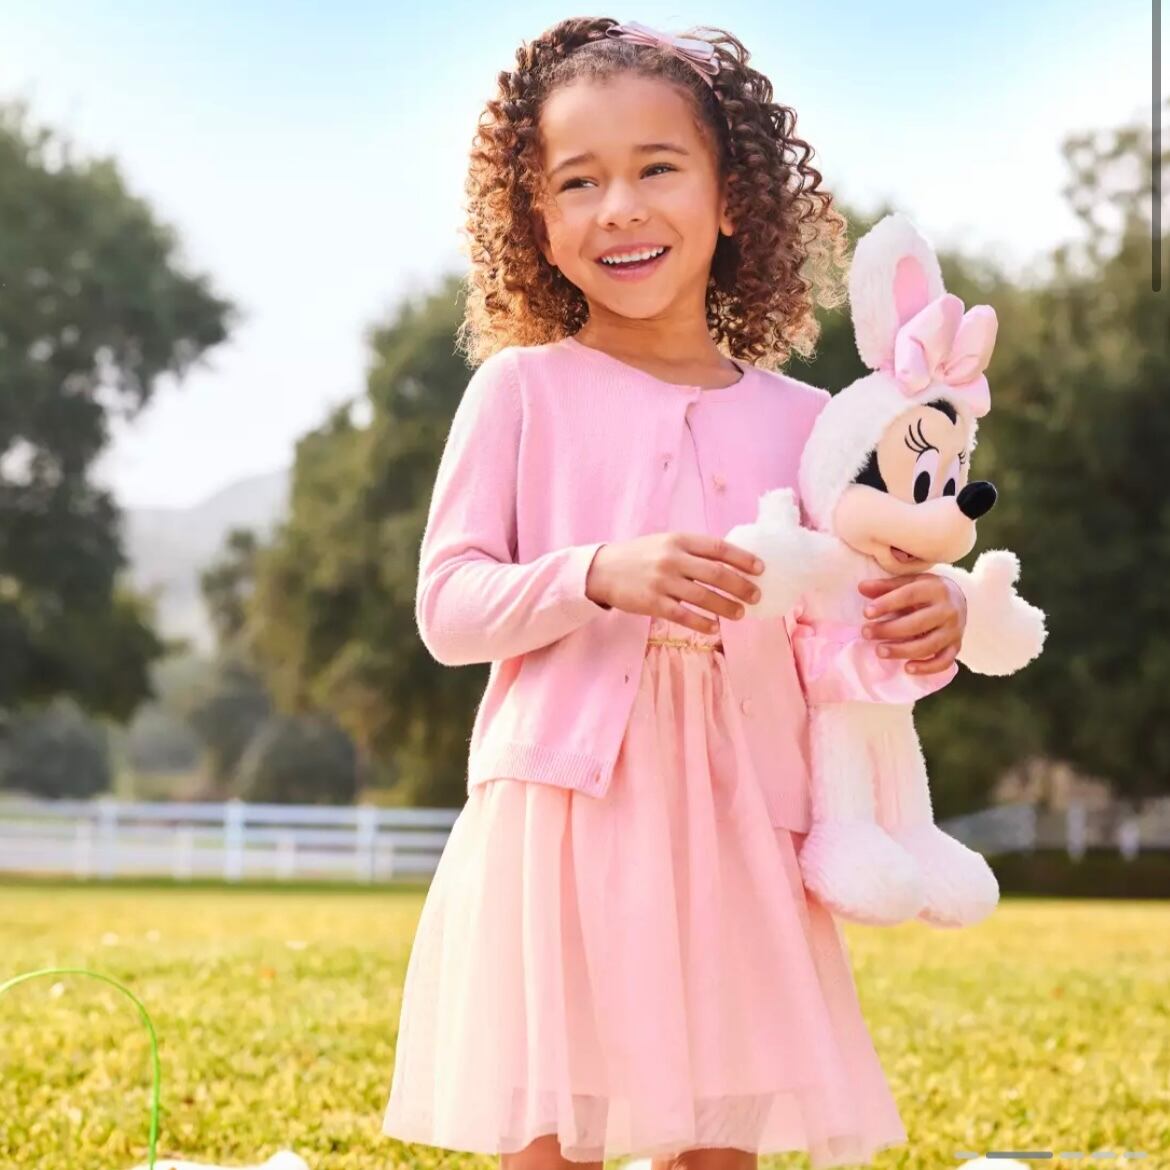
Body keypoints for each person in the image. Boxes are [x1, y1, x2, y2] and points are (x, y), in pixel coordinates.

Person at [382, 17, 971, 1170]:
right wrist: (599, 572)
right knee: (550, 1132)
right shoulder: (520, 392)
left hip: (745, 825)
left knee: (719, 1136)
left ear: (733, 199)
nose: (620, 207)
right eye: (578, 181)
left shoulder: (811, 425)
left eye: (658, 168)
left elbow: (846, 642)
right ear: (535, 220)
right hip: (563, 822)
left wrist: (929, 626)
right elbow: (448, 607)